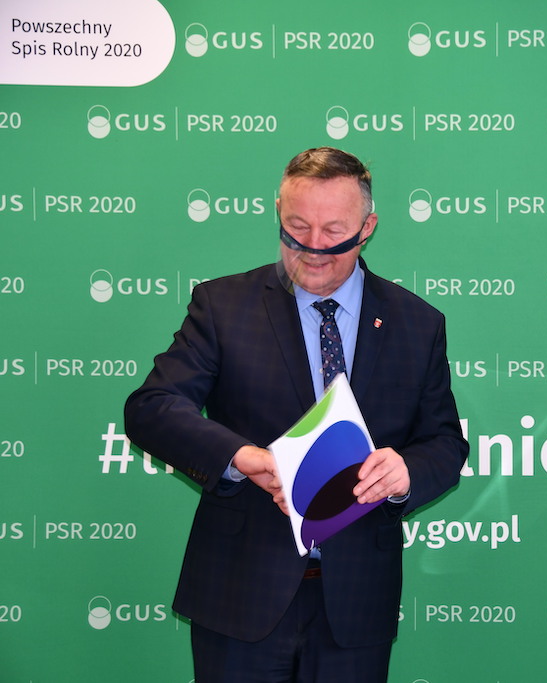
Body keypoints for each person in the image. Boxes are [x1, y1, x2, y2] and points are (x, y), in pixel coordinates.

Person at [125, 147, 468, 682]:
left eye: (333, 231)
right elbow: (152, 408)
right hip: (239, 596)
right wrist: (243, 458)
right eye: (297, 228)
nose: (312, 248)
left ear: (368, 227)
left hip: (357, 604)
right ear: (279, 214)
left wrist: (405, 473)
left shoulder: (417, 323)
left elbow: (444, 443)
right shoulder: (222, 306)